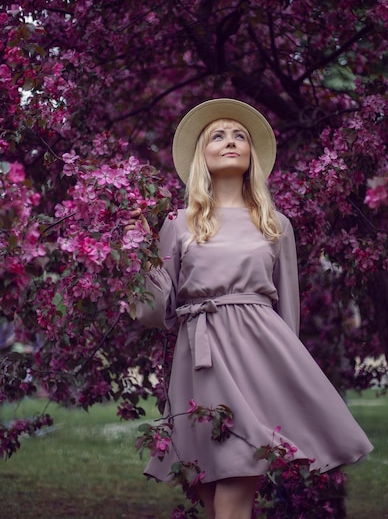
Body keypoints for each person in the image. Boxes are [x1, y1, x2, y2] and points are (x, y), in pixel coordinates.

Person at [126, 98, 373, 519]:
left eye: (240, 136)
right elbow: (155, 312)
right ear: (201, 154)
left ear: (251, 155)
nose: (231, 141)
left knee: (237, 490)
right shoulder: (177, 222)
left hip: (258, 360)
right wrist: (142, 254)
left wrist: (286, 379)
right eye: (218, 136)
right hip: (198, 364)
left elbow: (287, 309)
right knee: (212, 490)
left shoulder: (275, 223)